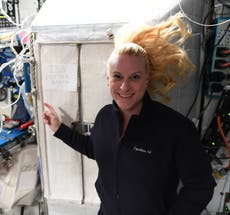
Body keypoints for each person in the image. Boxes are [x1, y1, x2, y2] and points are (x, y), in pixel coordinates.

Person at [42, 13, 216, 215]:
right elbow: (96, 148)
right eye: (117, 76)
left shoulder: (176, 128)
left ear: (146, 79)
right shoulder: (104, 117)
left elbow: (201, 186)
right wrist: (58, 129)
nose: (125, 86)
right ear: (108, 79)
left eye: (134, 77)